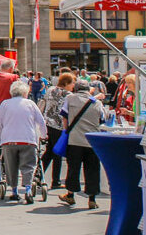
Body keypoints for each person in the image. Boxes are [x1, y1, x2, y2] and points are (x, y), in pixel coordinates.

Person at [0, 80, 45, 203]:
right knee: (29, 165)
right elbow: (41, 121)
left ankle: (14, 190)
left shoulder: (5, 104)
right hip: (28, 140)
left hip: (9, 140)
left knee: (11, 165)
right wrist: (43, 135)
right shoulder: (31, 104)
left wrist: (1, 135)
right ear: (25, 92)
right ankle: (27, 189)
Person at [58, 80, 104, 209]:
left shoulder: (70, 98)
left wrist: (66, 131)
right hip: (92, 140)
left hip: (75, 139)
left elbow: (64, 116)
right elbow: (102, 119)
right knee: (92, 169)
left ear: (76, 89)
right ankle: (92, 199)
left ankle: (71, 194)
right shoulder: (97, 102)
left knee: (73, 168)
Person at [39, 72, 75, 189]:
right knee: (57, 153)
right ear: (66, 83)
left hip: (48, 123)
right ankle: (55, 181)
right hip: (59, 126)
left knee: (49, 151)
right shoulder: (67, 94)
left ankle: (38, 175)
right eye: (72, 83)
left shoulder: (50, 89)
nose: (73, 85)